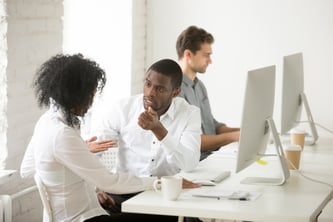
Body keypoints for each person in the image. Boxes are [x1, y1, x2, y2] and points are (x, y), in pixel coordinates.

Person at [20, 54, 199, 222]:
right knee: (169, 217)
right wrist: (161, 182)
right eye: (90, 94)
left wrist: (70, 169)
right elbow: (108, 181)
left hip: (88, 211)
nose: (91, 102)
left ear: (175, 92)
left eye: (159, 89)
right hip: (88, 217)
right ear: (77, 95)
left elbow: (27, 170)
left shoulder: (45, 122)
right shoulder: (64, 135)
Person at [90, 58, 202, 214]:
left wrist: (159, 131)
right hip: (123, 195)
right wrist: (93, 190)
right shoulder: (123, 109)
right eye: (148, 84)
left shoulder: (189, 114)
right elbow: (92, 153)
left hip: (165, 196)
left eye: (160, 89)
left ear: (175, 92)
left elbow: (189, 163)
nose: (150, 93)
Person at [176, 25, 240, 161]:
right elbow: (194, 141)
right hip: (196, 164)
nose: (210, 61)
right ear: (188, 55)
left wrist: (246, 131)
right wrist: (235, 137)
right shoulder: (175, 91)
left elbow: (212, 126)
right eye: (206, 55)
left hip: (212, 157)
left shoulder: (200, 86)